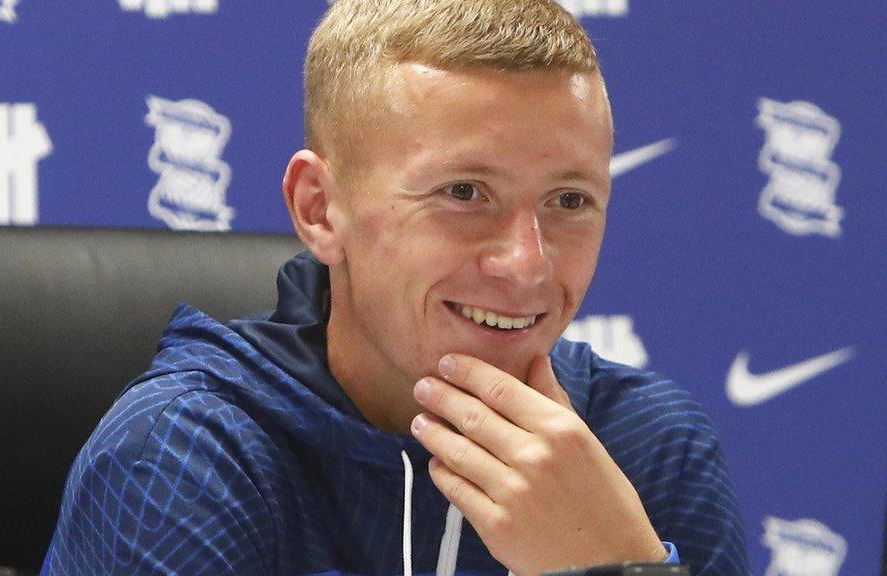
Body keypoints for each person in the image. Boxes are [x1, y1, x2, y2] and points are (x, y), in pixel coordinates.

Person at [42, 1, 749, 574]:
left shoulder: (651, 449)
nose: (527, 265)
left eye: (569, 201)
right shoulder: (183, 458)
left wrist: (616, 567)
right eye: (465, 192)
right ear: (320, 209)